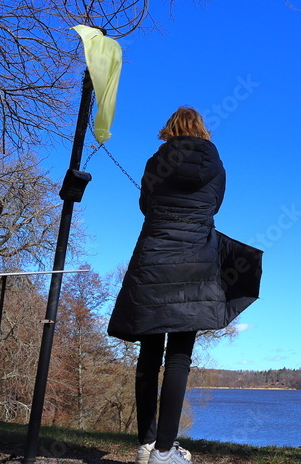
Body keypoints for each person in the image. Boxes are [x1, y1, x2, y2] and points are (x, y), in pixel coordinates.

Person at [107, 106, 228, 464]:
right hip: (194, 264)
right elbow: (215, 206)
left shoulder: (154, 162)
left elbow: (146, 205)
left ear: (169, 129)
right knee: (179, 358)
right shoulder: (216, 166)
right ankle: (164, 450)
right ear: (202, 130)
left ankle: (146, 444)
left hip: (155, 262)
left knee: (148, 355)